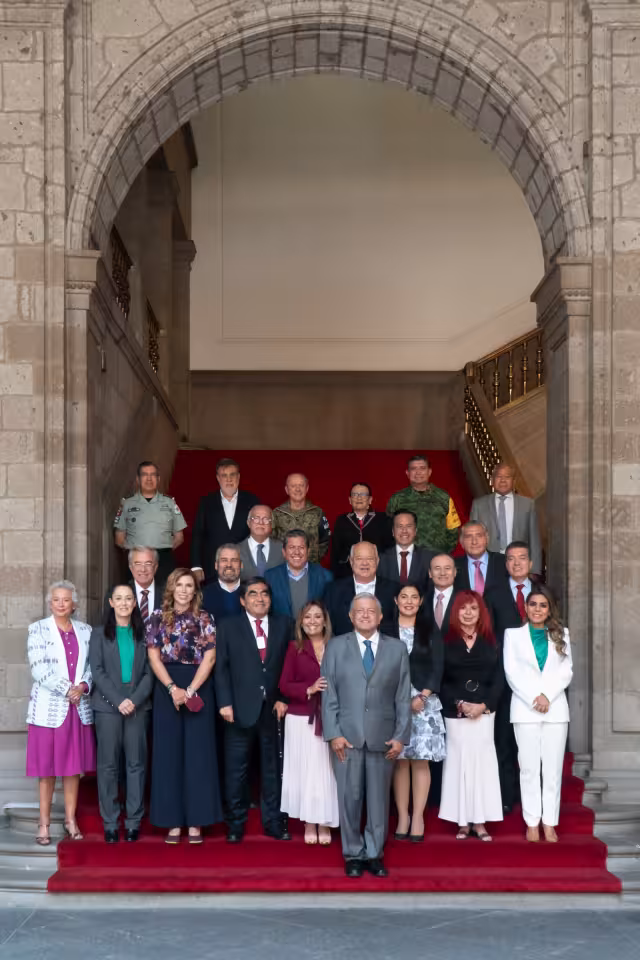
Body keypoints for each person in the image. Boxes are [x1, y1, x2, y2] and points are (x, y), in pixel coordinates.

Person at [322, 593, 411, 877]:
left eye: (370, 611)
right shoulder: (335, 647)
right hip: (345, 738)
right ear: (350, 616)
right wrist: (333, 733)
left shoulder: (397, 649)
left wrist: (401, 736)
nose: (364, 615)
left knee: (378, 801)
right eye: (358, 611)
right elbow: (329, 695)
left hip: (383, 737)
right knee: (350, 798)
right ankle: (352, 854)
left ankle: (374, 854)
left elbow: (403, 697)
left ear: (381, 616)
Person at [146, 568, 222, 843]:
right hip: (167, 688)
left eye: (189, 585)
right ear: (171, 588)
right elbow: (153, 658)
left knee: (198, 756)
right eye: (179, 585)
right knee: (169, 756)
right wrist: (172, 689)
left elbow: (210, 659)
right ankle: (172, 821)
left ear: (194, 590)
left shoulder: (205, 618)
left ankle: (197, 822)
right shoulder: (156, 617)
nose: (184, 590)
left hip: (197, 686)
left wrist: (189, 691)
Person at [214, 577, 292, 843]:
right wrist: (224, 702)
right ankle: (235, 823)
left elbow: (290, 665)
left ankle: (273, 822)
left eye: (264, 594)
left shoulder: (284, 624)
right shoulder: (227, 626)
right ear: (242, 600)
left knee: (272, 770)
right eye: (253, 594)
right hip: (237, 709)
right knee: (236, 770)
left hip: (273, 710)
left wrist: (284, 698)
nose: (260, 598)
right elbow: (221, 667)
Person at [26, 581, 95, 845]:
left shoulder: (86, 631)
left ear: (74, 604)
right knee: (47, 770)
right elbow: (39, 668)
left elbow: (92, 665)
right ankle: (43, 824)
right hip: (47, 709)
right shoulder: (38, 630)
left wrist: (83, 686)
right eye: (56, 600)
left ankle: (70, 819)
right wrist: (69, 689)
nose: (61, 604)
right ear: (50, 602)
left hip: (77, 710)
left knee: (72, 769)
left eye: (66, 600)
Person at [503, 585, 573, 842]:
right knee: (529, 769)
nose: (537, 609)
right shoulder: (513, 635)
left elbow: (566, 672)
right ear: (526, 607)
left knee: (553, 769)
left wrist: (547, 696)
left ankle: (549, 822)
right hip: (525, 709)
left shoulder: (560, 634)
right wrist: (535, 698)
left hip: (555, 709)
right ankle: (532, 821)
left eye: (543, 605)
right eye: (533, 604)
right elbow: (511, 672)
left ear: (549, 609)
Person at [438, 590, 503, 840]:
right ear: (456, 612)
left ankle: (480, 821)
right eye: (463, 608)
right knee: (458, 763)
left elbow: (499, 679)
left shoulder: (491, 641)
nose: (468, 613)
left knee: (482, 765)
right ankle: (462, 822)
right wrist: (460, 703)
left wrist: (484, 705)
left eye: (473, 608)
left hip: (484, 713)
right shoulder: (445, 641)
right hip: (455, 713)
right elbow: (440, 678)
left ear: (481, 612)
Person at [90, 584, 153, 842]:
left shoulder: (145, 634)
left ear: (135, 603)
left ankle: (134, 821)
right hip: (107, 706)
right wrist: (118, 701)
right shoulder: (98, 634)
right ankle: (110, 822)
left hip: (138, 706)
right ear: (111, 602)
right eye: (120, 598)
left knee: (136, 764)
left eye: (129, 598)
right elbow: (97, 671)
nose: (125, 603)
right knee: (108, 765)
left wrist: (134, 700)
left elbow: (151, 672)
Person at [385, 585, 445, 842]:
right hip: (392, 703)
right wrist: (400, 699)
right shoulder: (385, 629)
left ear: (421, 602)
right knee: (399, 761)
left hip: (425, 703)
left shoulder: (430, 629)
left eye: (414, 597)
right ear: (395, 600)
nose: (408, 602)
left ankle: (418, 816)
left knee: (420, 761)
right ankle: (402, 816)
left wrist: (422, 695)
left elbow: (438, 666)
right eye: (403, 597)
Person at [279, 601, 339, 845]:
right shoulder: (295, 648)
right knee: (306, 772)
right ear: (301, 623)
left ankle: (324, 820)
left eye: (317, 616)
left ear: (325, 620)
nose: (312, 621)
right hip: (301, 718)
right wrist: (309, 688)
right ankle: (308, 821)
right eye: (307, 617)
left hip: (332, 718)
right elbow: (284, 684)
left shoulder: (337, 646)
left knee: (327, 771)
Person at [485, 540, 535, 812]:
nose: (517, 563)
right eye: (511, 559)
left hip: (536, 680)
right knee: (503, 741)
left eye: (522, 558)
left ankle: (533, 802)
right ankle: (505, 800)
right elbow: (488, 635)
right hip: (503, 679)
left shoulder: (543, 592)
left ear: (530, 563)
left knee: (531, 745)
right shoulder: (492, 594)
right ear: (506, 564)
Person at [114, 461, 186, 586]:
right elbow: (119, 538)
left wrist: (161, 548)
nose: (149, 478)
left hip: (163, 559)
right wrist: (136, 552)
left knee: (165, 596)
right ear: (138, 479)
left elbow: (179, 537)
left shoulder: (169, 503)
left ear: (158, 479)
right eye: (144, 475)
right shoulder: (127, 504)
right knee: (136, 596)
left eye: (153, 475)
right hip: (137, 560)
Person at [190, 457, 260, 584]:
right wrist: (196, 566)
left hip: (244, 568)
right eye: (224, 475)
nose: (229, 479)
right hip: (212, 568)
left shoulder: (252, 501)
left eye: (232, 475)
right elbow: (198, 534)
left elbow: (257, 534)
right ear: (218, 478)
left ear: (238, 477)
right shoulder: (206, 502)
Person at [470, 462, 542, 574]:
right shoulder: (479, 505)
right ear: (492, 480)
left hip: (519, 566)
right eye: (499, 477)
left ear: (514, 482)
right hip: (489, 566)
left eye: (507, 477)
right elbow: (472, 540)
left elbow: (534, 540)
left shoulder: (528, 505)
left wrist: (535, 571)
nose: (503, 480)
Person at [386, 454, 461, 554]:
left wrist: (444, 552)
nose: (418, 472)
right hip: (407, 558)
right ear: (407, 473)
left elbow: (453, 530)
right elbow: (389, 529)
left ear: (429, 472)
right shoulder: (397, 499)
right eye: (413, 469)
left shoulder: (443, 497)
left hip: (436, 558)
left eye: (422, 468)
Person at [325, 541, 397, 635]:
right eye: (359, 559)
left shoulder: (394, 590)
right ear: (351, 561)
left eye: (370, 559)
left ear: (377, 561)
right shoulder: (334, 591)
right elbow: (327, 627)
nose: (364, 563)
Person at [265, 530, 333, 619]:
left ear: (308, 551)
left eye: (301, 547)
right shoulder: (270, 577)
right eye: (292, 547)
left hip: (313, 631)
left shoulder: (325, 576)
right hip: (281, 632)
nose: (296, 552)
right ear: (284, 552)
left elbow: (329, 612)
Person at [330, 483, 393, 578]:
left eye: (363, 494)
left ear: (370, 500)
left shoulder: (383, 519)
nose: (359, 497)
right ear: (350, 500)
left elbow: (389, 549)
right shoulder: (342, 520)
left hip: (378, 573)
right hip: (348, 573)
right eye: (355, 494)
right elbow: (336, 552)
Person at [272, 473, 331, 563]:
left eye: (301, 485)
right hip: (283, 567)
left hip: (310, 567)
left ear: (307, 488)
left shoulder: (317, 513)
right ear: (287, 490)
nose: (298, 489)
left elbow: (325, 540)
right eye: (293, 486)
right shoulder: (276, 513)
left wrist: (313, 559)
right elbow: (271, 541)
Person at [102, 545, 164, 622]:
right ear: (131, 567)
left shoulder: (168, 594)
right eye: (138, 564)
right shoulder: (114, 594)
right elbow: (107, 628)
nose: (143, 569)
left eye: (148, 564)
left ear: (155, 567)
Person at [378, 510, 435, 588]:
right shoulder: (381, 558)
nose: (404, 531)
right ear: (393, 532)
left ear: (415, 531)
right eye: (399, 526)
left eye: (409, 526)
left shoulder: (429, 558)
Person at [454, 521, 507, 596]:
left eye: (479, 536)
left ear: (487, 539)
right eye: (469, 537)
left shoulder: (504, 562)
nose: (474, 542)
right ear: (461, 542)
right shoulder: (453, 566)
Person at [238, 505, 282, 579]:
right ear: (248, 522)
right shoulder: (236, 550)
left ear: (272, 524)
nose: (261, 522)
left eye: (266, 519)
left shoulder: (283, 549)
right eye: (256, 518)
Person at [201, 544, 243, 621]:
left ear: (241, 565)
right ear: (216, 565)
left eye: (234, 560)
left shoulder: (252, 593)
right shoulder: (203, 595)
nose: (229, 565)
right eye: (224, 560)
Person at [423, 553, 459, 637]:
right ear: (430, 573)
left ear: (455, 572)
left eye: (447, 568)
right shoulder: (421, 600)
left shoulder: (468, 600)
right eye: (437, 568)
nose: (442, 573)